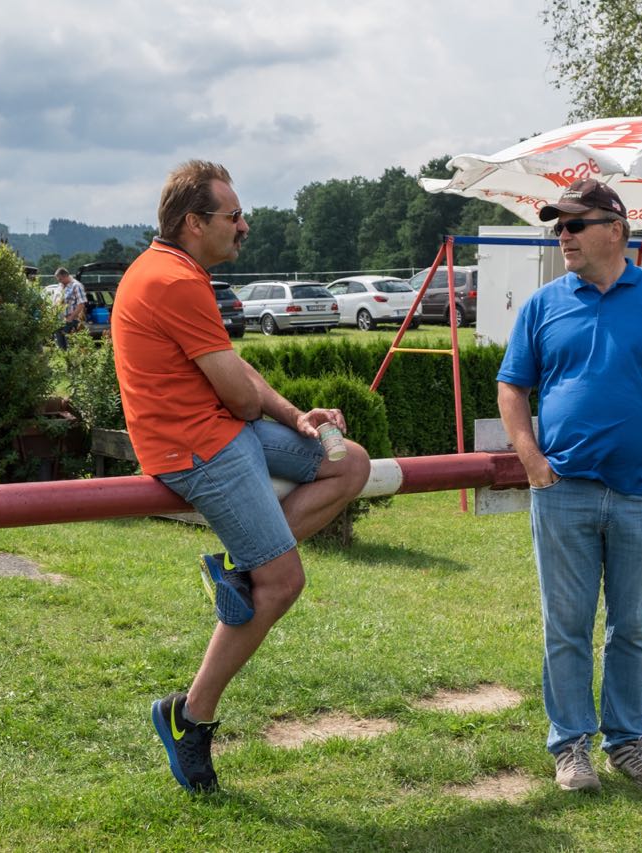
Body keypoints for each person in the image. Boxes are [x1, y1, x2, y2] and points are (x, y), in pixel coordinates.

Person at [111, 160, 371, 792]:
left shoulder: (175, 271)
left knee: (350, 462)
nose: (244, 226)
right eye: (234, 216)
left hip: (222, 432)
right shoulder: (174, 280)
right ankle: (189, 717)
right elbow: (237, 395)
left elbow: (237, 374)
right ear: (194, 223)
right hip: (197, 448)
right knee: (281, 583)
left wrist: (296, 416)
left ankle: (237, 566)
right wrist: (257, 407)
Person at [497, 178, 642, 793]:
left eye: (574, 225)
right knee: (565, 626)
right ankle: (571, 748)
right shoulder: (543, 304)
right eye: (557, 228)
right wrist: (531, 459)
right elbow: (512, 387)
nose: (562, 237)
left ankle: (627, 743)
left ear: (615, 230)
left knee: (632, 628)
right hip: (563, 490)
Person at [53, 267, 86, 350]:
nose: (59, 281)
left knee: (70, 346)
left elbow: (81, 304)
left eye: (60, 279)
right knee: (60, 346)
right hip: (59, 321)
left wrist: (71, 318)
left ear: (66, 276)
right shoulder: (60, 286)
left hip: (70, 321)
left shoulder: (76, 286)